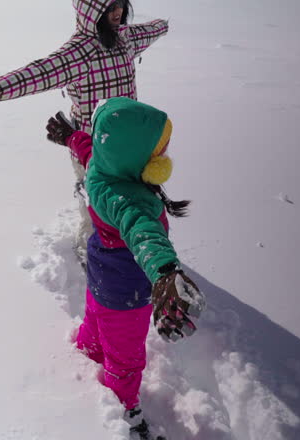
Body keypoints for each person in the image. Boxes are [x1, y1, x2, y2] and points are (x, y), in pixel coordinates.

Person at [0, 0, 170, 261]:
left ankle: (132, 248)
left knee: (132, 200)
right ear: (90, 12)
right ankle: (90, 251)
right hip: (93, 147)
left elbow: (149, 30)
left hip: (131, 147)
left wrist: (164, 25)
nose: (117, 13)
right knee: (95, 205)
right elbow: (39, 73)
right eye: (109, 8)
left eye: (121, 7)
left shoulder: (125, 38)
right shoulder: (78, 54)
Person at [46, 97, 206, 440]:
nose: (162, 156)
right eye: (157, 152)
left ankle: (87, 354)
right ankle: (125, 410)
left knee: (95, 322)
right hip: (126, 293)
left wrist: (71, 136)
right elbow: (144, 234)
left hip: (102, 274)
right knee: (126, 359)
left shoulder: (101, 171)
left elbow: (91, 150)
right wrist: (165, 270)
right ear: (135, 158)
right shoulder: (127, 199)